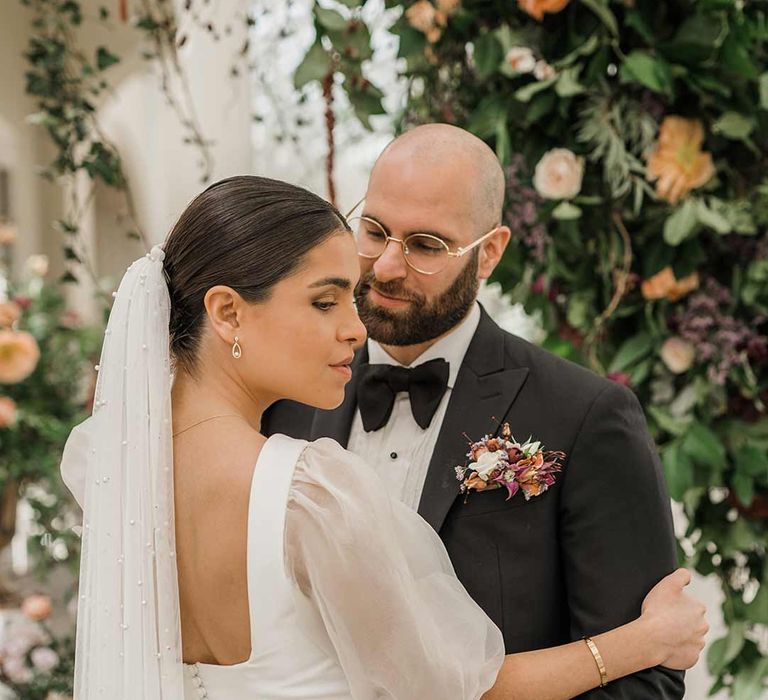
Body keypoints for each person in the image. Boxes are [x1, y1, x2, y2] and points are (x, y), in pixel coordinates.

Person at [61, 175, 707, 700]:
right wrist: (643, 641)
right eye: (324, 301)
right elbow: (460, 690)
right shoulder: (306, 491)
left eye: (351, 296)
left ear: (490, 250)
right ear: (228, 311)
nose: (355, 326)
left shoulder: (110, 463)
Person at [264, 124, 693, 698]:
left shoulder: (586, 416)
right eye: (374, 231)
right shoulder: (280, 398)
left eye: (425, 246)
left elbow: (644, 679)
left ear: (489, 252)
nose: (387, 266)